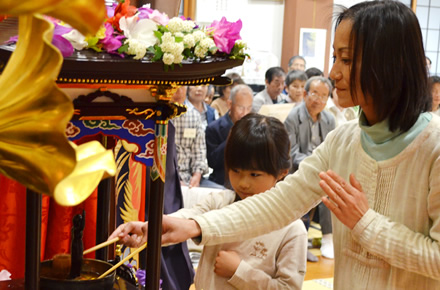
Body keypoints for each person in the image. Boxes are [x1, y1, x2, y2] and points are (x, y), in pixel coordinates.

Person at [111, 1, 440, 289]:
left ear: (390, 64)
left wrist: (366, 224)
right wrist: (191, 225)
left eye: (347, 59)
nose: (333, 73)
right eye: (335, 57)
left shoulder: (433, 147)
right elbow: (280, 202)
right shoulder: (344, 140)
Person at [112, 113, 308, 290]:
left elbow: (288, 287)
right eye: (236, 171)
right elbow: (185, 219)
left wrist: (238, 272)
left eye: (254, 174)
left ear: (281, 173)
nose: (243, 183)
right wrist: (149, 228)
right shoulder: (219, 201)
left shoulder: (292, 229)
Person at [284, 76, 335, 261]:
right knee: (322, 185)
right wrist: (316, 166)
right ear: (305, 94)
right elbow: (291, 153)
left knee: (332, 186)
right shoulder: (293, 117)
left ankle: (328, 238)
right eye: (315, 94)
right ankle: (302, 241)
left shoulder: (329, 119)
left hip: (321, 170)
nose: (319, 100)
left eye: (324, 96)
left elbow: (332, 149)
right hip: (299, 170)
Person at [206, 84, 253, 187]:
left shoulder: (254, 126)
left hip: (250, 181)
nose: (244, 113)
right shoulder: (214, 128)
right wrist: (232, 136)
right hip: (224, 182)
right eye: (240, 108)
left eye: (248, 108)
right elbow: (213, 162)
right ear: (229, 104)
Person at [171, 86, 211, 188]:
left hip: (189, 177)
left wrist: (196, 176)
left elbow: (200, 152)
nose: (178, 92)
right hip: (167, 177)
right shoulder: (158, 116)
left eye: (182, 87)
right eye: (175, 87)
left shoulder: (194, 116)